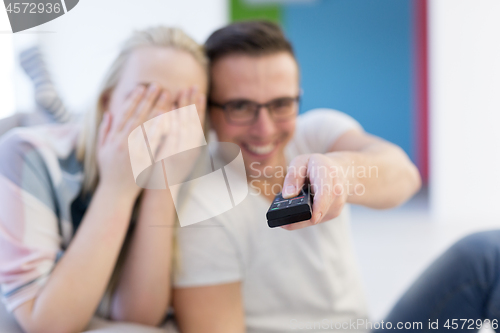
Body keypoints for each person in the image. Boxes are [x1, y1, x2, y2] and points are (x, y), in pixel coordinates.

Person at [171, 21, 421, 333]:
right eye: (240, 106)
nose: (265, 128)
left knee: (485, 257)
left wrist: (339, 171)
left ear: (297, 97)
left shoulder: (316, 133)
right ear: (208, 111)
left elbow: (405, 177)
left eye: (281, 104)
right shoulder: (201, 204)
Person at [0, 26, 208, 333]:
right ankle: (46, 96)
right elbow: (48, 324)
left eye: (182, 105)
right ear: (107, 100)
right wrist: (117, 187)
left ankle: (48, 98)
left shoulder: (190, 165)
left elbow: (138, 317)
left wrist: (163, 186)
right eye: (146, 95)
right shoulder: (26, 153)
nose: (164, 117)